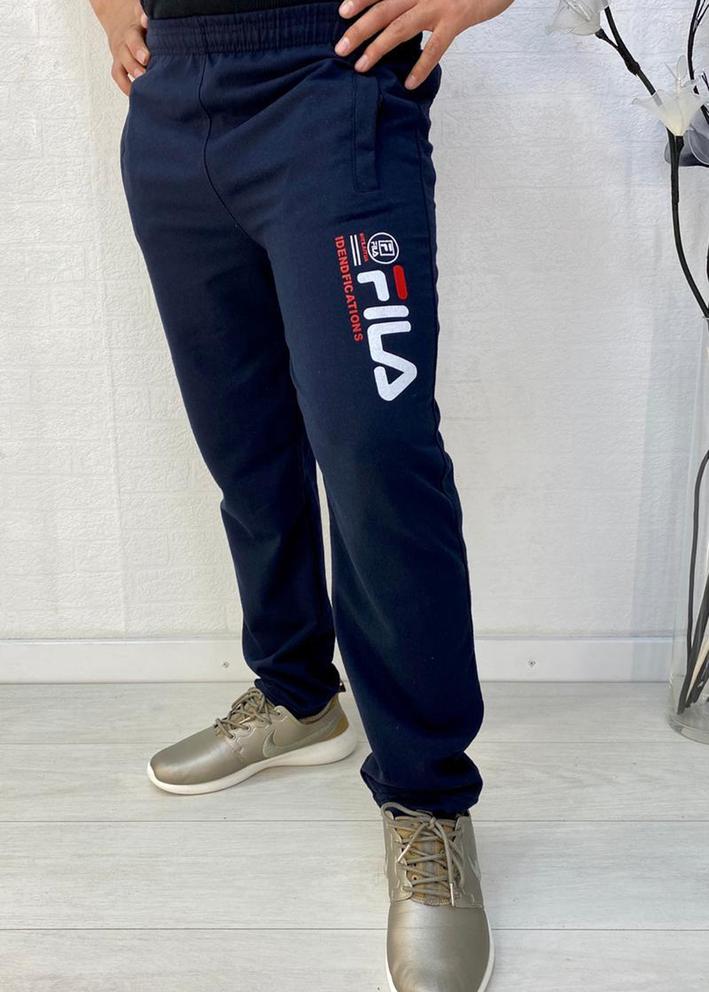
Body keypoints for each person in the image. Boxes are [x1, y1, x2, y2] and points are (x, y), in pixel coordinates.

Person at [90, 0, 513, 987]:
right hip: (171, 101)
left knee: (376, 453)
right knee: (243, 443)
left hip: (332, 83)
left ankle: (427, 798)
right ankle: (296, 695)